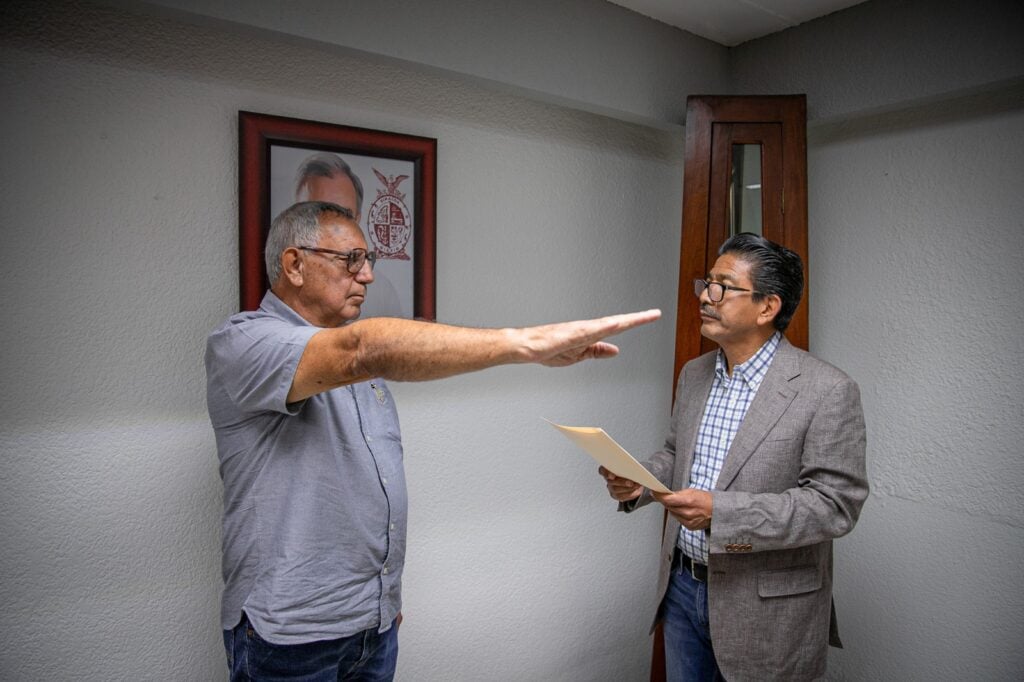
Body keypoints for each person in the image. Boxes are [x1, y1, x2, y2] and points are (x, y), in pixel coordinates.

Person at [206, 200, 660, 681]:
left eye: (369, 261)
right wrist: (523, 344)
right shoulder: (244, 343)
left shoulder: (352, 351)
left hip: (372, 625)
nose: (368, 277)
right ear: (294, 264)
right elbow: (363, 350)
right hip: (292, 639)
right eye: (351, 260)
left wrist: (383, 600)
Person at [599, 233, 868, 681]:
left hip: (766, 606)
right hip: (682, 588)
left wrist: (720, 513)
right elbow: (675, 453)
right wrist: (640, 482)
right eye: (706, 283)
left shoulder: (827, 390)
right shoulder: (695, 373)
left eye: (723, 286)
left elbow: (835, 506)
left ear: (767, 307)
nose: (706, 296)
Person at [294, 151, 403, 318]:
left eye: (344, 216)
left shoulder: (382, 292)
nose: (367, 277)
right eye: (318, 215)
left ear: (357, 219)